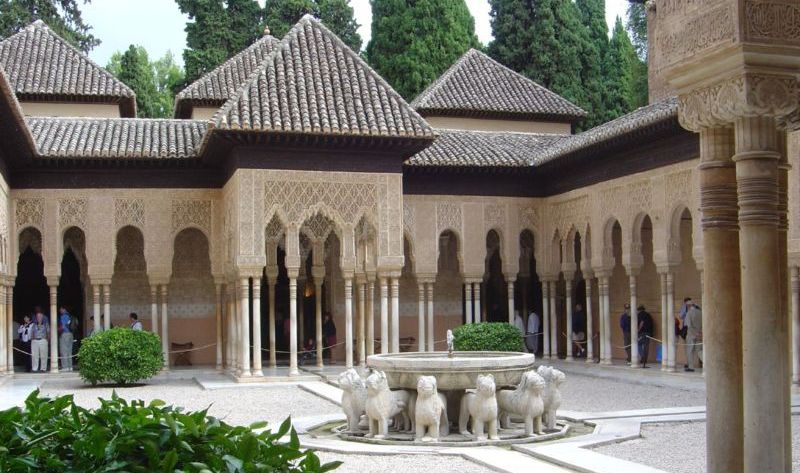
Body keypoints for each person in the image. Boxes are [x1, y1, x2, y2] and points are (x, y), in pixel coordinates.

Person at [684, 301, 703, 372]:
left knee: (689, 351)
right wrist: (699, 333)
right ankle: (707, 364)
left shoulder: (689, 313)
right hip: (700, 334)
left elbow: (689, 326)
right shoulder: (701, 313)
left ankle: (691, 367)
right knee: (700, 351)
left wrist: (694, 333)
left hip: (691, 335)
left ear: (690, 306)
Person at [31, 307, 49, 372]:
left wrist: (47, 340)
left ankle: (43, 368)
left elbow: (48, 332)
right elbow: (32, 332)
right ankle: (34, 368)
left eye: (40, 316)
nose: (38, 318)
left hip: (43, 340)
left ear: (42, 317)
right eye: (37, 316)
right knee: (34, 355)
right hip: (35, 340)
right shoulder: (34, 325)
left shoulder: (45, 324)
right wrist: (33, 340)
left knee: (43, 355)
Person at [58, 306, 75, 372]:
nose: (60, 310)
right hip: (71, 334)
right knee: (69, 351)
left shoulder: (64, 316)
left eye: (61, 309)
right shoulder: (70, 316)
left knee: (63, 351)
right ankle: (70, 366)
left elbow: (63, 326)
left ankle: (65, 367)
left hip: (65, 334)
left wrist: (57, 330)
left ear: (64, 309)